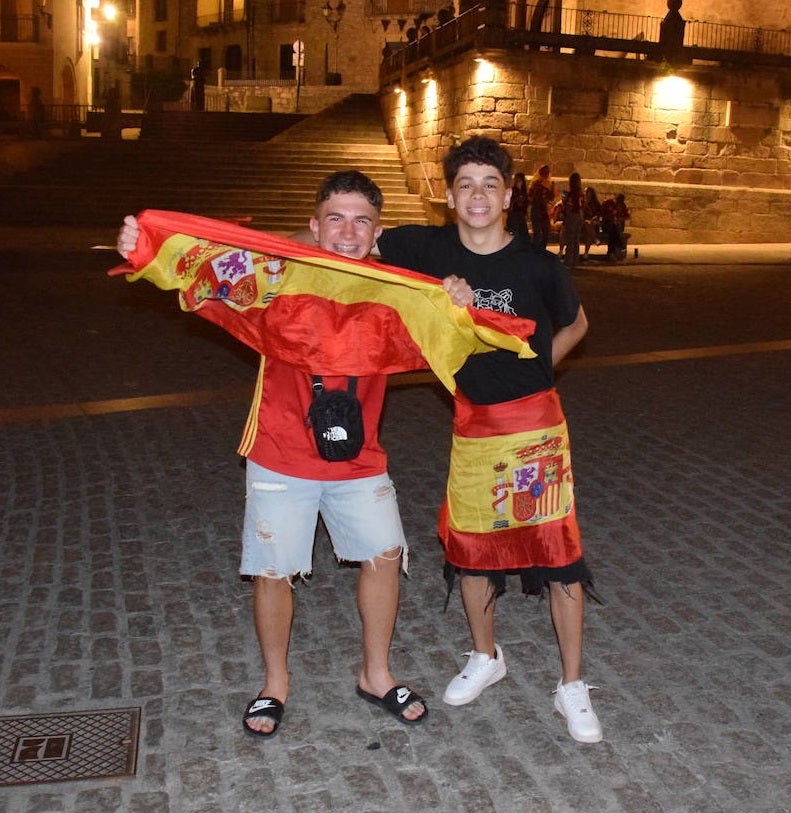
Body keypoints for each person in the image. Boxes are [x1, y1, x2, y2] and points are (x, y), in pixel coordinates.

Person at [116, 171, 475, 738]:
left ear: (376, 231)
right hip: (281, 452)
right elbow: (207, 281)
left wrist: (459, 300)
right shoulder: (274, 278)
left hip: (360, 457)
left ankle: (375, 674)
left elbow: (451, 333)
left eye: (361, 221)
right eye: (335, 218)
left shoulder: (395, 289)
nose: (348, 231)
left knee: (384, 556)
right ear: (314, 226)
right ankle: (274, 683)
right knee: (273, 571)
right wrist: (146, 246)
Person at [376, 137, 603, 744]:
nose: (478, 195)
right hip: (474, 427)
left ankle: (572, 685)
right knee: (472, 547)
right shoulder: (425, 248)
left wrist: (538, 373)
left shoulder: (537, 265)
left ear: (508, 194)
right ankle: (486, 656)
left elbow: (578, 323)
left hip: (535, 427)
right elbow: (342, 242)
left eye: (490, 184)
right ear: (449, 196)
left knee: (558, 553)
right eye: (466, 185)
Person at [527, 164, 555, 250]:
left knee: (546, 231)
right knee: (537, 233)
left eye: (547, 172)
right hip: (536, 210)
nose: (546, 174)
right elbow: (532, 196)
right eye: (544, 172)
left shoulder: (550, 184)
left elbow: (551, 198)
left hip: (544, 211)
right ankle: (535, 251)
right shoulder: (536, 184)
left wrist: (552, 188)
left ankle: (542, 250)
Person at [561, 172, 585, 269]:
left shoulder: (571, 194)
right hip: (579, 216)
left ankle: (569, 261)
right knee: (576, 239)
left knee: (570, 239)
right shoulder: (580, 194)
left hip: (572, 216)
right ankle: (575, 261)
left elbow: (569, 207)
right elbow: (582, 206)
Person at [601, 192, 631, 260]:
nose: (618, 203)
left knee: (613, 231)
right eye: (618, 201)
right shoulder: (608, 203)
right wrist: (610, 217)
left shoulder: (623, 206)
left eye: (620, 202)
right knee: (613, 228)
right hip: (607, 225)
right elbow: (602, 214)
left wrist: (620, 219)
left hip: (616, 227)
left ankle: (611, 253)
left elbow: (628, 216)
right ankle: (619, 246)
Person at [505, 172, 529, 237]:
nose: (516, 181)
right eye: (516, 179)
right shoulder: (513, 191)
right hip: (514, 214)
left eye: (518, 179)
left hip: (520, 214)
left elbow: (525, 203)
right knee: (514, 232)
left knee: (522, 233)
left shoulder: (524, 192)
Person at [582, 186, 602, 260]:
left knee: (589, 234)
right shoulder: (582, 202)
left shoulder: (596, 203)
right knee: (587, 224)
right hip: (584, 224)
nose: (585, 193)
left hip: (593, 224)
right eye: (585, 192)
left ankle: (586, 253)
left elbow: (599, 213)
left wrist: (593, 219)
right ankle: (595, 239)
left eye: (587, 192)